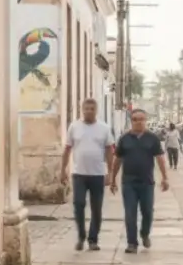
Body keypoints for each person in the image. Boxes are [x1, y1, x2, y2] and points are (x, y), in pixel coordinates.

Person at [110, 109, 169, 254]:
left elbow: (160, 158)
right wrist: (113, 179)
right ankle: (132, 243)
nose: (138, 122)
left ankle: (144, 233)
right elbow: (117, 160)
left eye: (141, 119)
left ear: (146, 120)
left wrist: (165, 177)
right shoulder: (124, 139)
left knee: (147, 212)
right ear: (131, 121)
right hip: (129, 183)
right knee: (130, 213)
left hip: (147, 183)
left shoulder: (152, 138)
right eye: (135, 119)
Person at [60, 98, 115, 251]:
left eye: (92, 109)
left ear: (96, 110)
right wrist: (63, 170)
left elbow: (109, 151)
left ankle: (93, 239)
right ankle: (81, 236)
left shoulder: (104, 128)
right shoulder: (74, 127)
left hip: (98, 174)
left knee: (96, 208)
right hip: (79, 174)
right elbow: (67, 149)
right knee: (78, 204)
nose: (89, 111)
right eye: (86, 109)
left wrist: (110, 173)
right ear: (82, 110)